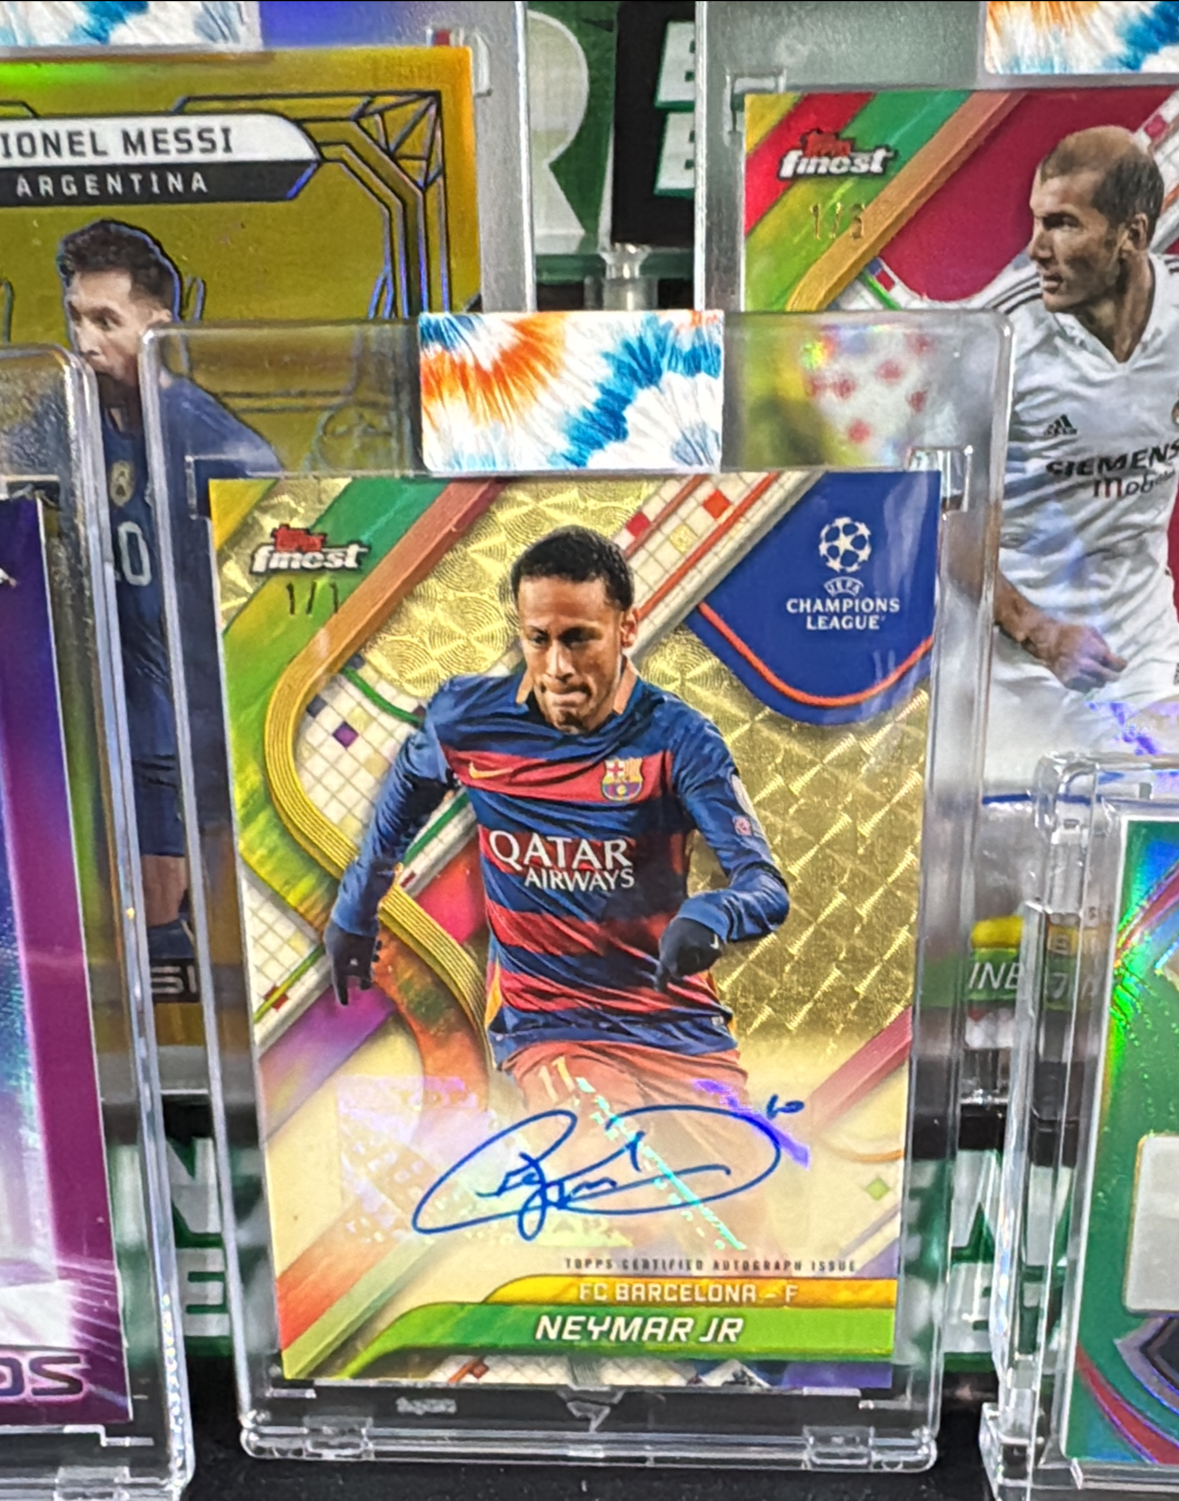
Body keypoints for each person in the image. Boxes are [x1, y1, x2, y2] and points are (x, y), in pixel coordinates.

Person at [326, 526, 790, 1115]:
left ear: (626, 628)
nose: (557, 666)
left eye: (579, 639)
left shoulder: (681, 739)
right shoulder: (467, 721)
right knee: (609, 1153)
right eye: (538, 639)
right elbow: (406, 797)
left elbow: (764, 885)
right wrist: (356, 906)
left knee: (744, 1176)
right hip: (548, 1023)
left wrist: (715, 914)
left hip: (676, 1025)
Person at [57, 220, 277, 970]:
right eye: (76, 319)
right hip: (100, 725)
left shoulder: (221, 449)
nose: (85, 341)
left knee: (192, 929)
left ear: (157, 326)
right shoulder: (64, 427)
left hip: (196, 734)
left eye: (105, 321)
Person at [986, 125, 1179, 787]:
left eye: (1062, 224)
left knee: (1150, 840)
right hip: (1015, 674)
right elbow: (931, 517)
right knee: (1019, 848)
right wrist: (1040, 634)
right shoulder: (998, 334)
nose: (1035, 248)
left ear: (1132, 235)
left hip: (1143, 658)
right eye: (1036, 220)